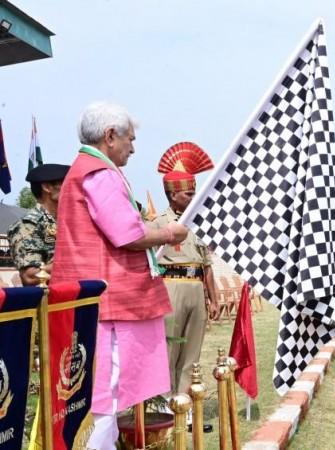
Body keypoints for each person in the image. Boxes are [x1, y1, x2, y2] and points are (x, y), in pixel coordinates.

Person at [52, 102, 189, 449]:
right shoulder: (99, 173)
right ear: (110, 136)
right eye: (130, 138)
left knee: (102, 397)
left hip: (98, 300)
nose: (133, 147)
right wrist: (170, 233)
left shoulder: (88, 170)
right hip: (110, 302)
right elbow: (127, 234)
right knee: (106, 398)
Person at [149, 142, 218, 432]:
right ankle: (165, 404)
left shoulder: (199, 224)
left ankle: (184, 403)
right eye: (189, 193)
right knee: (169, 348)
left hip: (195, 287)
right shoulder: (157, 223)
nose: (193, 197)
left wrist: (213, 299)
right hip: (170, 286)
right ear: (172, 194)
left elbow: (207, 266)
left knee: (191, 352)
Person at [8, 163, 70, 286]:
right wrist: (72, 263)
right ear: (47, 187)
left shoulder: (65, 222)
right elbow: (30, 276)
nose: (72, 188)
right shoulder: (28, 225)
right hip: (47, 302)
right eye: (66, 183)